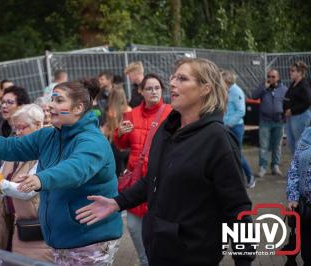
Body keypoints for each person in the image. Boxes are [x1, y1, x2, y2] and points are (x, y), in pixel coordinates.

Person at [76, 58, 255, 266]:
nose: (172, 83)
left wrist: (245, 261)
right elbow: (154, 178)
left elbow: (237, 208)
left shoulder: (218, 139)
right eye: (173, 77)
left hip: (194, 256)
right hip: (158, 250)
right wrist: (117, 202)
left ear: (205, 88)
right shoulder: (167, 129)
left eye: (182, 78)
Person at [0, 80, 122, 265]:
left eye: (58, 101)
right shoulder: (49, 136)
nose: (50, 105)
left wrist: (41, 178)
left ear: (78, 108)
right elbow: (8, 146)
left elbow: (75, 168)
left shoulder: (92, 141)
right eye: (52, 100)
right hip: (62, 240)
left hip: (89, 240)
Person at [0, 104, 54, 262]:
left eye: (23, 127)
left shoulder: (46, 152)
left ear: (39, 125)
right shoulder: (15, 148)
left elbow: (27, 191)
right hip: (10, 222)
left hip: (34, 227)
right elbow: (1, 176)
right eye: (16, 128)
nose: (18, 133)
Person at [113, 73, 171, 266]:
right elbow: (121, 145)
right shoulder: (131, 114)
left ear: (162, 90)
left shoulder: (172, 113)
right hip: (136, 182)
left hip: (162, 183)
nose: (153, 91)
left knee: (160, 232)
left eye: (157, 88)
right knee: (134, 228)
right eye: (149, 88)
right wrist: (120, 133)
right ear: (141, 91)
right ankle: (145, 261)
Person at [222, 70, 256, 188]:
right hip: (227, 126)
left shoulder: (236, 92)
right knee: (229, 154)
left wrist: (228, 123)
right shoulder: (226, 91)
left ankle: (250, 176)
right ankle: (236, 179)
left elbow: (241, 111)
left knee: (237, 154)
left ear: (227, 81)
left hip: (235, 127)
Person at [251, 69, 288, 177]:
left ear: (278, 78)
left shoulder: (284, 89)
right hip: (265, 121)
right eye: (268, 76)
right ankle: (262, 167)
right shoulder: (264, 87)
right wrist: (264, 87)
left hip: (279, 121)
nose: (270, 78)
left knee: (277, 146)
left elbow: (287, 103)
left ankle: (275, 166)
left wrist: (285, 116)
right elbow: (254, 96)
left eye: (273, 76)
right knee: (264, 146)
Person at [287, 127, 311, 265]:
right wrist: (293, 196)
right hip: (306, 208)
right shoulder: (307, 133)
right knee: (307, 254)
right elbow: (294, 167)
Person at [102, 82, 131, 176]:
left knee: (116, 173)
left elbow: (109, 132)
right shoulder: (130, 110)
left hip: (115, 145)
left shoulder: (111, 112)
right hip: (128, 146)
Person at [283, 61, 311, 154]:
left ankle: (302, 167)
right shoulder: (293, 83)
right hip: (291, 117)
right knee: (291, 143)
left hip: (300, 116)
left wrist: (292, 110)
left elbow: (308, 101)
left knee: (300, 144)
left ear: (300, 72)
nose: (290, 72)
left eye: (293, 70)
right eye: (290, 70)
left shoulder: (304, 85)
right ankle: (297, 166)